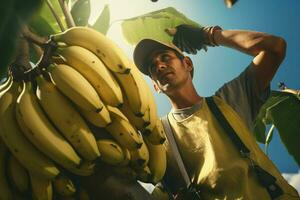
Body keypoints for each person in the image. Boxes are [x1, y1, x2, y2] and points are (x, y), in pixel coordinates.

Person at [133, 24, 300, 200]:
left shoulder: (228, 101)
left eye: (165, 57)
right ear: (155, 87)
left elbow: (274, 48)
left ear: (187, 63)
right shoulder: (157, 135)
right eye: (152, 67)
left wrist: (208, 36)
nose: (159, 66)